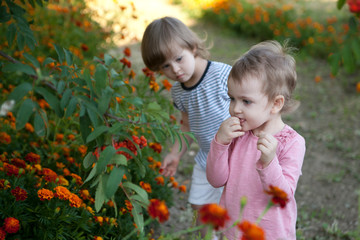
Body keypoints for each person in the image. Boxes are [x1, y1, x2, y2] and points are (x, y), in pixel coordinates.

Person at [141, 16, 232, 237]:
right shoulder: (179, 92)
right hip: (206, 160)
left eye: (179, 59)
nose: (175, 69)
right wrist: (175, 153)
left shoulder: (221, 75)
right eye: (166, 66)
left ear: (192, 47)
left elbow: (251, 105)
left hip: (234, 156)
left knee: (235, 210)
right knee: (199, 208)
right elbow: (186, 126)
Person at [206, 40, 306, 240]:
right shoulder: (237, 133)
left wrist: (269, 162)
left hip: (270, 234)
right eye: (232, 98)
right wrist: (220, 143)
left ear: (276, 104)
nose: (235, 109)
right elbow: (216, 180)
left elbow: (282, 198)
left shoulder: (291, 143)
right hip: (233, 231)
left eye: (246, 101)